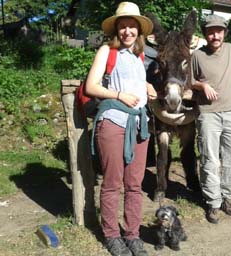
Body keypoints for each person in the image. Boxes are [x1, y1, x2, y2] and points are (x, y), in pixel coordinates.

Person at [85, 2, 156, 256]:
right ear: (117, 29)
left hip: (138, 126)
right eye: (123, 26)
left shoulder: (138, 56)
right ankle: (112, 235)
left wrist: (146, 85)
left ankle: (132, 234)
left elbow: (130, 78)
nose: (127, 31)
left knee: (135, 184)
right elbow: (91, 86)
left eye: (132, 26)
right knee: (113, 183)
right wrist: (119, 95)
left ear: (139, 30)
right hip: (114, 123)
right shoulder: (107, 50)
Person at [191, 14, 231, 224]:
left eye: (218, 31)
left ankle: (226, 196)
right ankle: (213, 202)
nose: (215, 35)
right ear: (205, 34)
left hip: (230, 111)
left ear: (224, 33)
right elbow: (189, 81)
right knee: (210, 158)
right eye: (210, 31)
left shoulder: (230, 50)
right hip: (207, 114)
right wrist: (203, 85)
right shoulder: (197, 56)